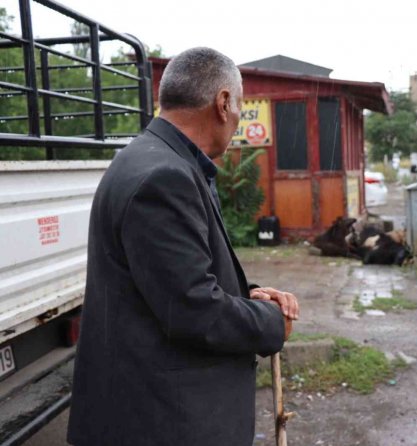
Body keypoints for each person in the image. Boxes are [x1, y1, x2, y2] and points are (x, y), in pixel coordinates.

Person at [67, 47, 299, 446]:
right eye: (241, 107)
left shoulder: (155, 159)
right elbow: (192, 310)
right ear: (223, 103)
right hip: (162, 423)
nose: (239, 119)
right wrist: (272, 322)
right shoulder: (164, 176)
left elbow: (169, 282)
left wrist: (249, 297)